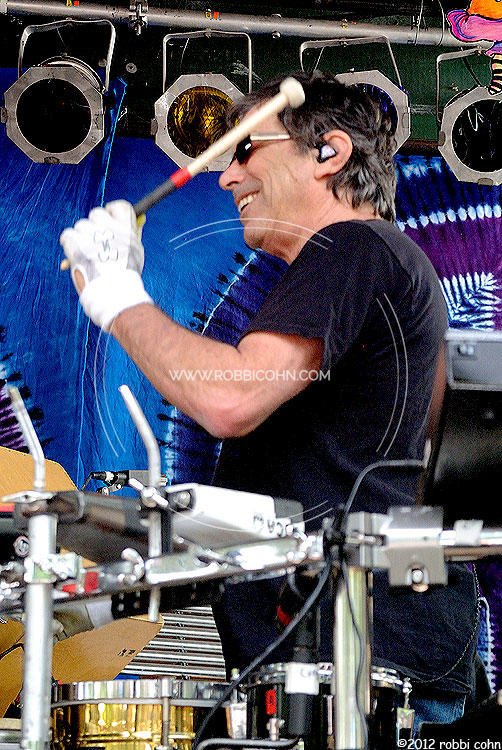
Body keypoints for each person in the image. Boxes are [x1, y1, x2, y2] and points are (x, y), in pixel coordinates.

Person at [60, 71, 478, 733]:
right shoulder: (381, 264)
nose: (228, 177)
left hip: (355, 667)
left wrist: (118, 296)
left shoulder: (351, 246)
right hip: (364, 650)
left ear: (329, 153)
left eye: (247, 150)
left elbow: (231, 399)